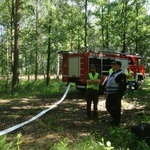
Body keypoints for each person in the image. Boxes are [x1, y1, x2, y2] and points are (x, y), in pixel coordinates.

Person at [105, 61, 126, 126]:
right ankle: (115, 119)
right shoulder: (112, 73)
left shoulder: (121, 75)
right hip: (110, 94)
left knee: (117, 109)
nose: (113, 66)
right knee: (108, 107)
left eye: (114, 65)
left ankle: (116, 123)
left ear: (119, 66)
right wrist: (105, 91)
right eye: (112, 65)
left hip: (116, 94)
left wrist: (119, 95)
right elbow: (108, 82)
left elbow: (123, 86)